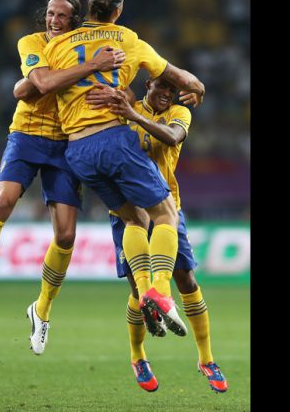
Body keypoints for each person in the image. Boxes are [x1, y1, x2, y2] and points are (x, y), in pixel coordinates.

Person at [0, 0, 125, 356]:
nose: (54, 20)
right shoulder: (32, 42)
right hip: (26, 135)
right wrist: (85, 67)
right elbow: (39, 84)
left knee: (67, 235)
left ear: (75, 20)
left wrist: (33, 83)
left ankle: (41, 311)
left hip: (68, 142)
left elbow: (31, 85)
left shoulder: (80, 44)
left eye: (62, 16)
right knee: (3, 203)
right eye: (50, 14)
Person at [22, 0, 206, 341]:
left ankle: (141, 290)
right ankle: (160, 292)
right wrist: (196, 87)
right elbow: (179, 78)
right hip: (112, 139)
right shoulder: (127, 40)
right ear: (118, 11)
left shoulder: (55, 44)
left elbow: (32, 87)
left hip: (77, 152)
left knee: (133, 217)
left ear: (87, 8)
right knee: (165, 212)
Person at [86, 77, 228, 393]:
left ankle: (206, 358)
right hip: (127, 210)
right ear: (148, 83)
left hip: (166, 207)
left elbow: (175, 137)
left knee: (187, 281)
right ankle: (138, 357)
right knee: (139, 292)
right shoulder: (124, 106)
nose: (166, 93)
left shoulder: (179, 114)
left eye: (172, 90)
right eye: (161, 87)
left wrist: (135, 116)